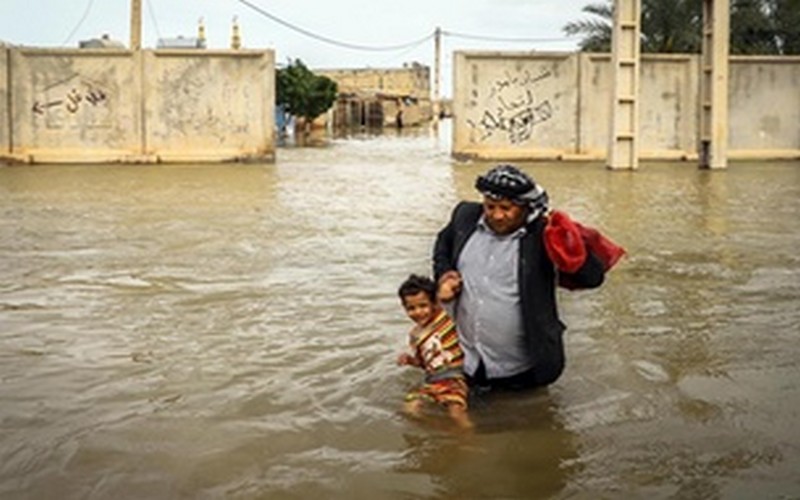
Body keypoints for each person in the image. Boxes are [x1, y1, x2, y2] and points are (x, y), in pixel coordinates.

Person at [433, 164, 611, 391]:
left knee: (527, 417)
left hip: (521, 369)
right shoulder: (465, 216)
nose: (496, 215)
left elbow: (592, 278)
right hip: (464, 362)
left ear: (525, 208)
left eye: (506, 208)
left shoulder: (543, 234)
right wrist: (444, 275)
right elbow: (442, 245)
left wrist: (568, 241)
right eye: (490, 206)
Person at [396, 274, 472, 429]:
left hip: (454, 378)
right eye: (411, 308)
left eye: (423, 306)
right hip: (432, 381)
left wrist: (449, 283)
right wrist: (411, 361)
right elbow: (424, 363)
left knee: (456, 413)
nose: (418, 312)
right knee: (410, 409)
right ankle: (438, 430)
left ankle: (468, 440)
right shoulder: (415, 336)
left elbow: (450, 297)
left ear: (434, 304)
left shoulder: (444, 318)